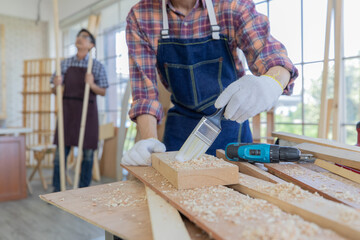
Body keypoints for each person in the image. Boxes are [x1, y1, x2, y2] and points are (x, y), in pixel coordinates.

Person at [122, 0, 298, 165]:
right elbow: (144, 93)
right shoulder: (140, 16)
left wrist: (271, 83)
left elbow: (274, 57)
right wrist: (148, 142)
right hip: (181, 130)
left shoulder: (231, 5)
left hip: (230, 126)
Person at [51, 29, 108, 191]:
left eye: (84, 37)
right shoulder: (64, 64)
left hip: (87, 113)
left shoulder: (96, 66)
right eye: (78, 36)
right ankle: (57, 188)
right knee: (60, 154)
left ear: (91, 45)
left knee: (88, 155)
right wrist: (56, 85)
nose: (79, 39)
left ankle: (84, 190)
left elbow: (103, 91)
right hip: (67, 112)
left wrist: (92, 85)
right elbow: (54, 91)